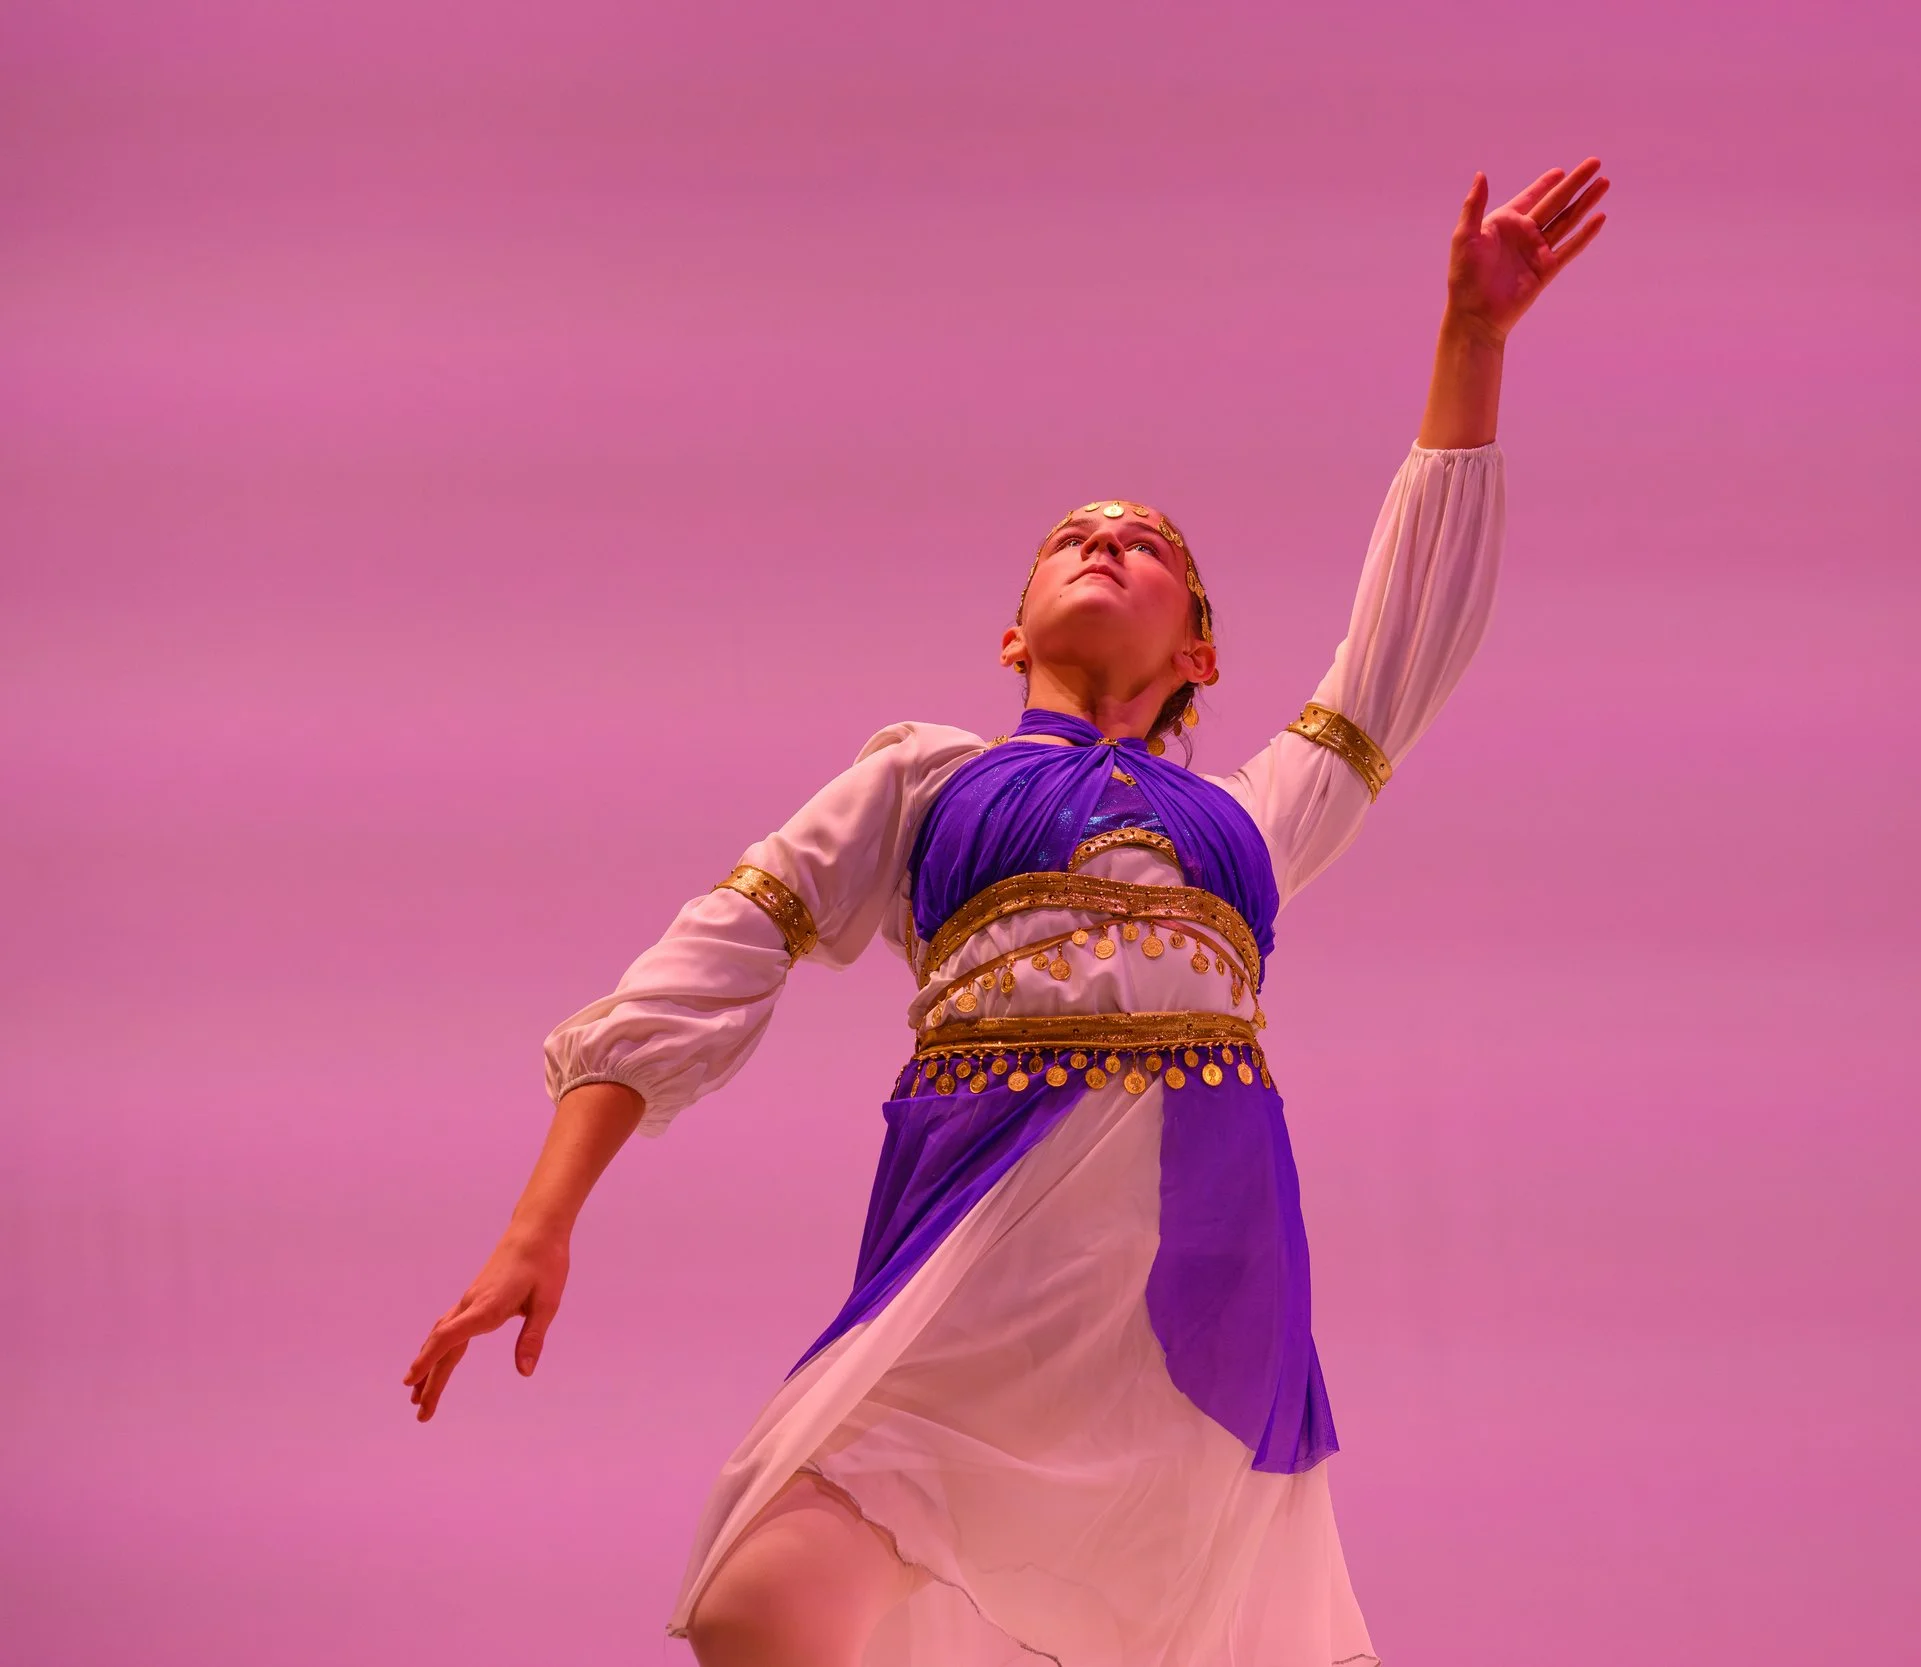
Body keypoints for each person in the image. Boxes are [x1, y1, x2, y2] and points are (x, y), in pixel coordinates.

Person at [404, 159, 1609, 1667]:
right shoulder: (923, 781)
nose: (1108, 542)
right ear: (1010, 622)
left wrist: (1471, 339)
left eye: (1149, 540)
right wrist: (542, 1220)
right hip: (971, 1276)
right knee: (756, 1609)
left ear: (1206, 653)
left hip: (1198, 1312)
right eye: (1072, 535)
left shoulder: (1251, 815)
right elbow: (715, 954)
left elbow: (1398, 651)